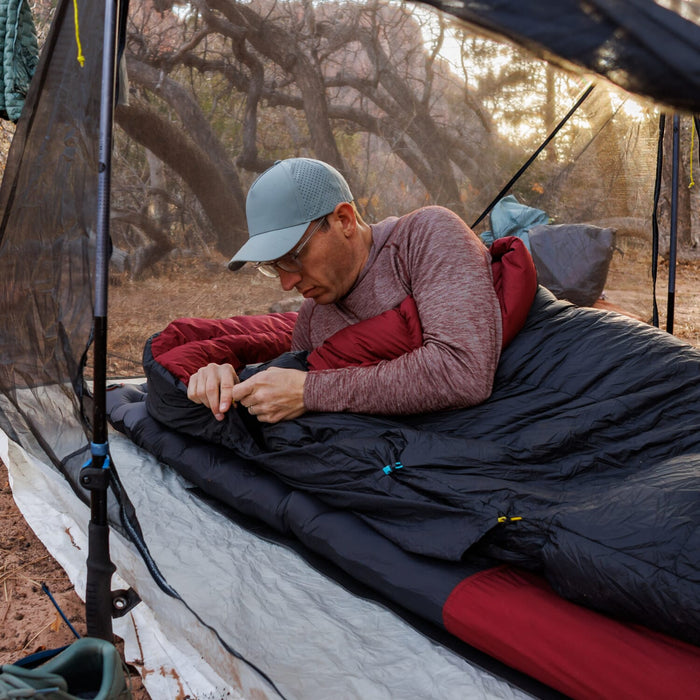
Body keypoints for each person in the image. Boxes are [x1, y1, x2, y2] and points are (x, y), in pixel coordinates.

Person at [187, 157, 502, 423]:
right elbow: (287, 390)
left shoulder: (424, 236)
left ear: (344, 220)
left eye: (292, 258)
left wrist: (311, 391)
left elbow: (463, 372)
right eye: (273, 267)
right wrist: (229, 382)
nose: (286, 283)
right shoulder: (312, 317)